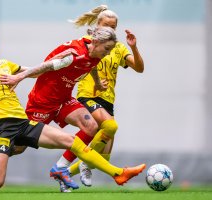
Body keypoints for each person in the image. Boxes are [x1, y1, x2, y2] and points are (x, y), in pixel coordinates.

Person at [0, 24, 146, 193]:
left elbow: (37, 72)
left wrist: (53, 63)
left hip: (24, 123)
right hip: (2, 129)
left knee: (74, 140)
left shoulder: (5, 64)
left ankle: (117, 173)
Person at [55, 5, 145, 192]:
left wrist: (134, 48)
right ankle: (82, 165)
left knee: (103, 159)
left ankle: (64, 172)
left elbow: (139, 68)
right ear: (98, 25)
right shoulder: (89, 43)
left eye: (113, 27)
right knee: (110, 126)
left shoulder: (118, 48)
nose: (110, 29)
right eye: (106, 25)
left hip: (107, 101)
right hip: (88, 95)